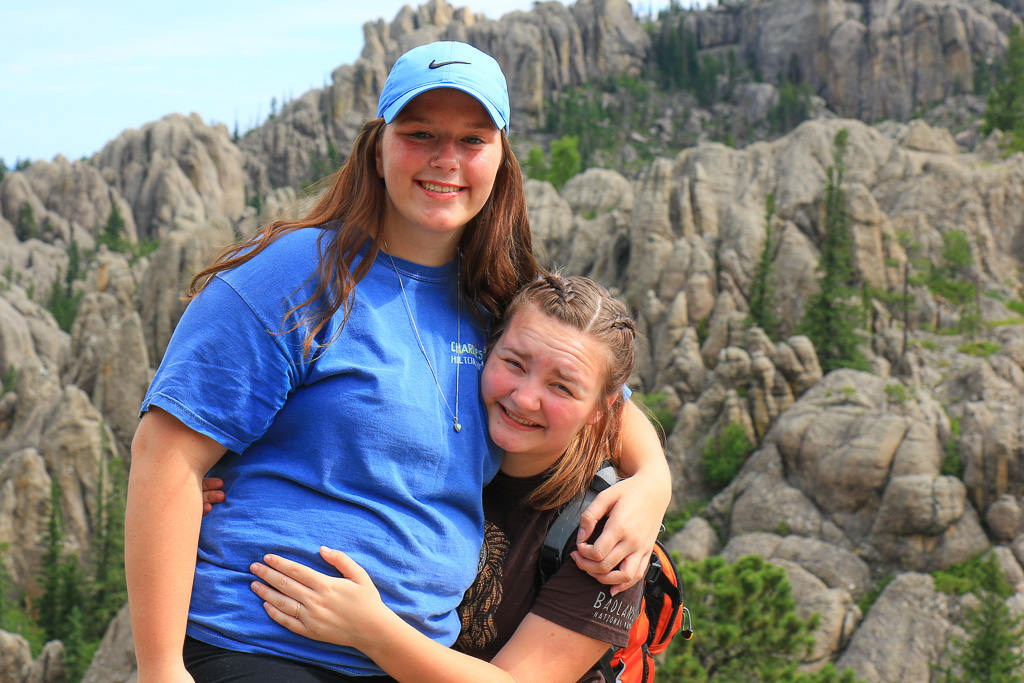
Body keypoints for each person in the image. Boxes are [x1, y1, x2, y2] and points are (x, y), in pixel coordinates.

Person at [125, 40, 670, 683]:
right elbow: (166, 455)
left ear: (500, 159)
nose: (446, 160)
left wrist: (650, 484)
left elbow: (603, 400)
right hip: (261, 642)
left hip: (402, 661)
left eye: (473, 140)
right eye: (420, 134)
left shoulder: (499, 295)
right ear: (377, 147)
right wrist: (161, 670)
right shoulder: (293, 275)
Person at [241, 274, 648, 682]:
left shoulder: (607, 538)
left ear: (603, 408)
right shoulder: (427, 432)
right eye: (513, 363)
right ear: (487, 349)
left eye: (561, 387)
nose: (525, 397)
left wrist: (371, 631)